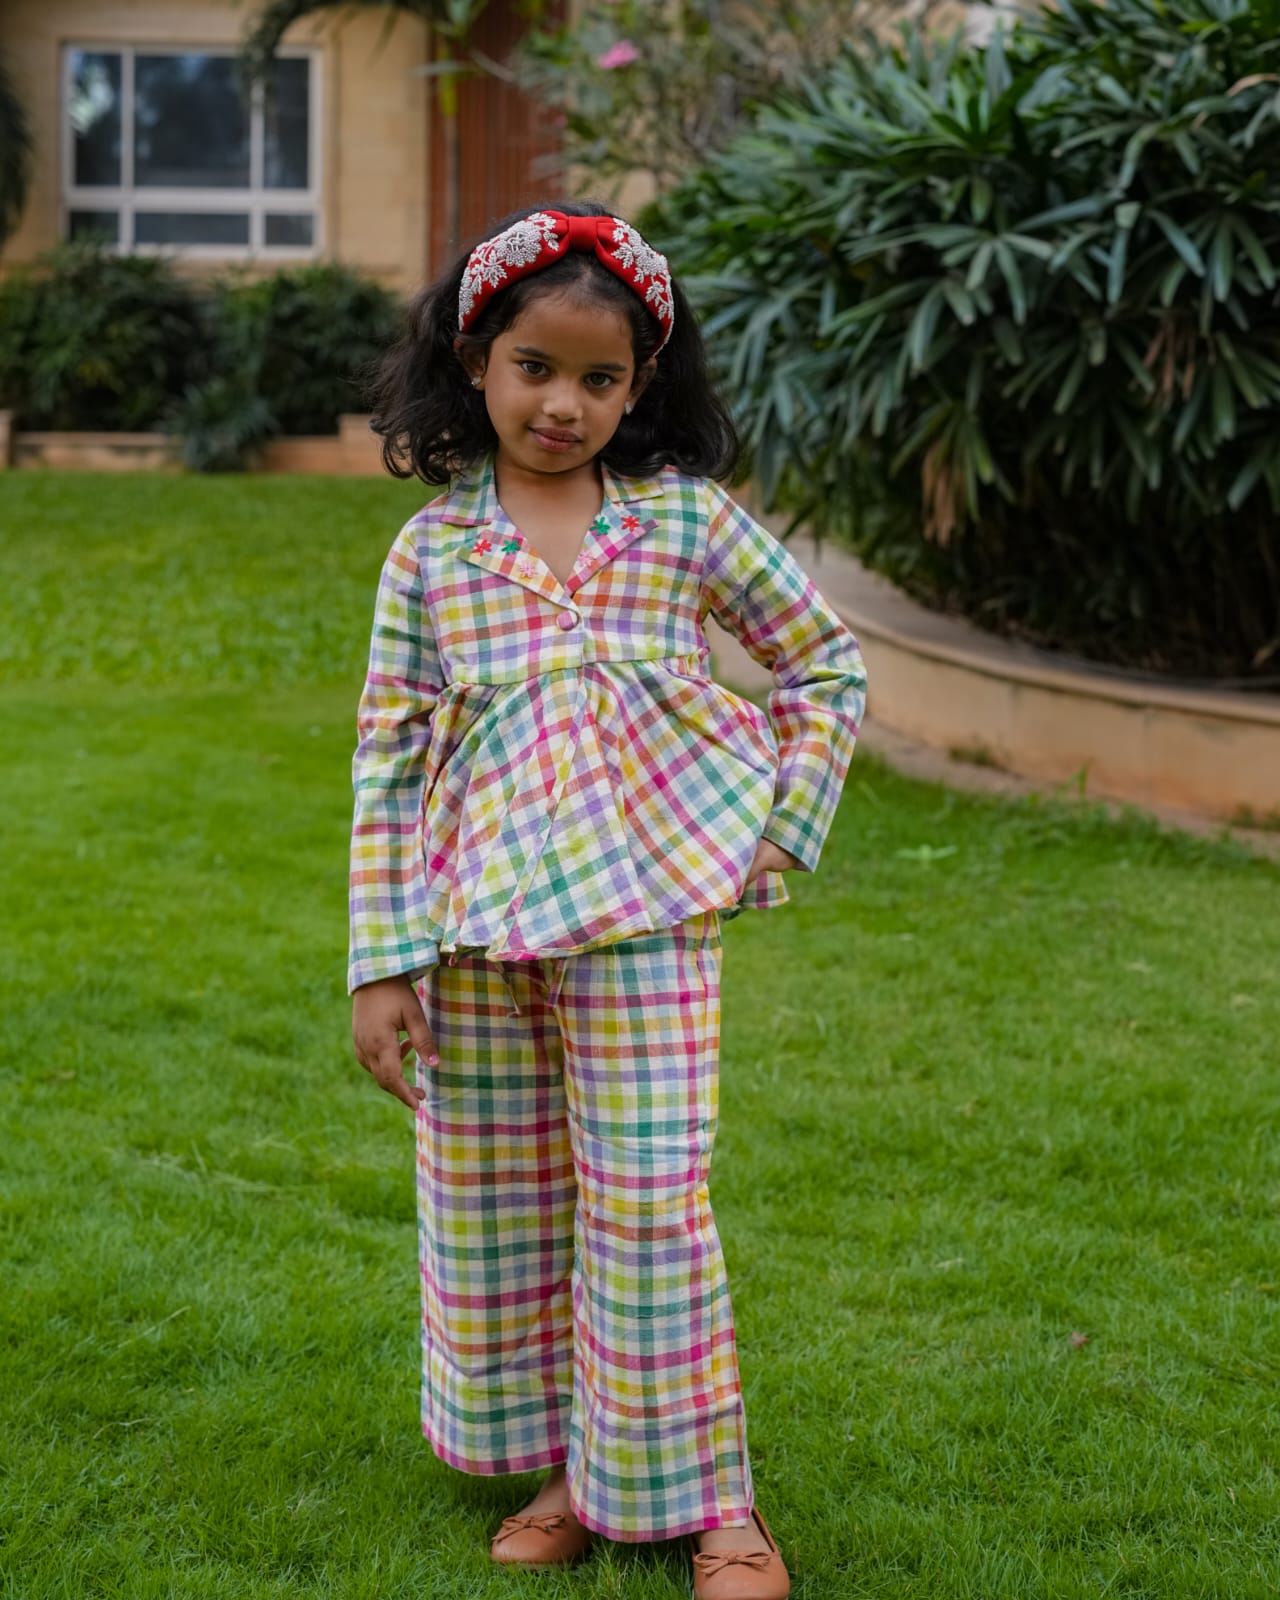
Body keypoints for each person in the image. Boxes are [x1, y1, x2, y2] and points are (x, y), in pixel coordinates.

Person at [347, 200, 866, 1600]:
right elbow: (387, 757)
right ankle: (574, 1473)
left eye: (599, 377)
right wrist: (381, 962)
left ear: (641, 387)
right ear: (476, 362)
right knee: (506, 1203)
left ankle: (717, 1503)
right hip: (479, 933)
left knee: (647, 1202)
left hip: (650, 922)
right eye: (535, 368)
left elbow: (823, 664)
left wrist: (781, 828)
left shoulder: (685, 524)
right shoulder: (433, 555)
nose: (562, 404)